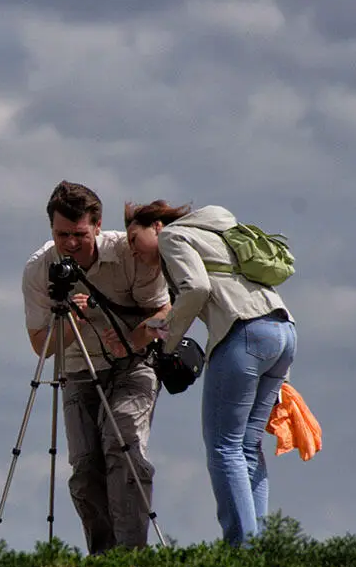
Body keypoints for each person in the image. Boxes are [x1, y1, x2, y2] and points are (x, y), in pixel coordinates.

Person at [124, 200, 296, 547]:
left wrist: (168, 342)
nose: (132, 249)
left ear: (156, 226)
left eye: (133, 238)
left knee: (224, 447)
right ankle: (260, 547)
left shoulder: (173, 236)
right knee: (248, 447)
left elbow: (198, 289)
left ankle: (241, 549)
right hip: (282, 331)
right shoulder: (215, 231)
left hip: (243, 334)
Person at [22, 181, 171, 555]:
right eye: (61, 235)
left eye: (79, 235)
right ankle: (103, 558)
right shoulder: (41, 269)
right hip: (77, 369)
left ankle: (131, 555)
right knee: (86, 467)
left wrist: (122, 335)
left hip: (133, 363)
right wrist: (72, 319)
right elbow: (42, 346)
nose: (70, 244)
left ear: (98, 225)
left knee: (123, 445)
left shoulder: (128, 253)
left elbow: (162, 311)